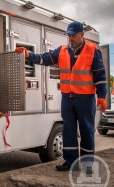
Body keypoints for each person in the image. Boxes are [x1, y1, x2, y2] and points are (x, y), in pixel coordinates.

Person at [15, 21, 107, 172]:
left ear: (81, 35)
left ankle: (87, 164)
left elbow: (100, 75)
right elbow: (45, 58)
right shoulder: (62, 50)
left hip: (85, 98)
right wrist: (28, 54)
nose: (70, 38)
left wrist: (102, 96)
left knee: (86, 130)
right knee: (68, 130)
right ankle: (70, 162)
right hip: (67, 98)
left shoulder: (92, 50)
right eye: (68, 35)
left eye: (73, 35)